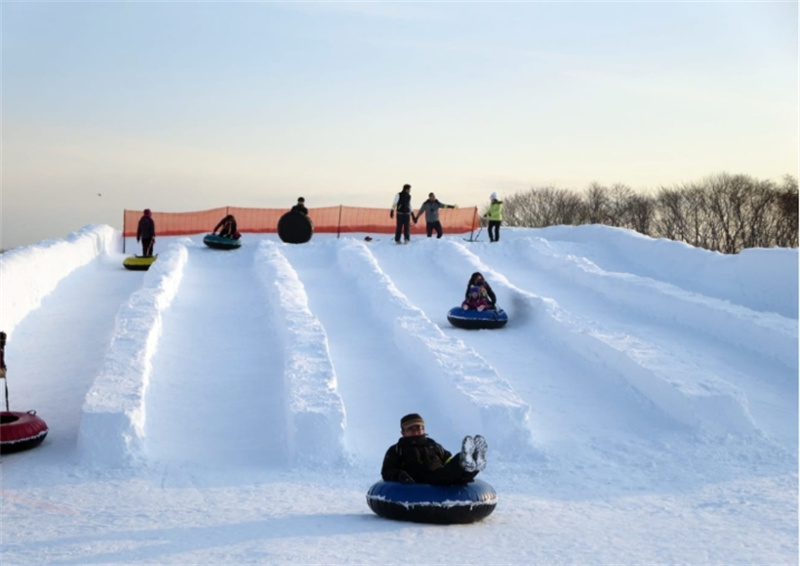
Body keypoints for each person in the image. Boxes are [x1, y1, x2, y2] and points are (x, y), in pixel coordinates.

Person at [381, 413, 488, 485]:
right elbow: (387, 471)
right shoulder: (397, 449)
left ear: (423, 429)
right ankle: (469, 461)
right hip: (421, 480)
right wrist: (399, 475)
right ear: (403, 432)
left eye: (418, 428)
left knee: (458, 464)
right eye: (411, 429)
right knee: (448, 472)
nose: (416, 432)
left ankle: (474, 459)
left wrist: (452, 463)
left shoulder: (433, 445)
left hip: (440, 475)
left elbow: (447, 460)